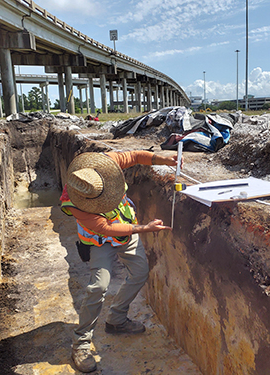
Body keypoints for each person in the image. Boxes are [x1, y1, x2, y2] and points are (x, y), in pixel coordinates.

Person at [60, 150, 181, 373]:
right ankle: (81, 344)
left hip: (125, 229)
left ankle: (116, 319)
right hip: (100, 240)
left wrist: (161, 159)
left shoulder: (104, 164)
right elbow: (105, 228)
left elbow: (134, 156)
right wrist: (145, 228)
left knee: (140, 272)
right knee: (98, 286)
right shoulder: (74, 201)